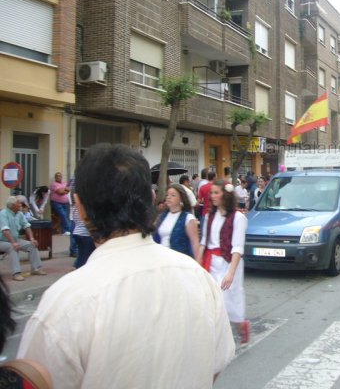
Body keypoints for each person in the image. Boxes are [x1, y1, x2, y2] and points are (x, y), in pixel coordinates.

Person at [17, 143, 235, 388]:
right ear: (150, 199)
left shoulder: (65, 303)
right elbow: (216, 365)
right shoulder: (199, 279)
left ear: (79, 206)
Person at [198, 180, 250, 344]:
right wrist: (197, 265)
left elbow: (237, 247)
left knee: (229, 300)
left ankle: (241, 326)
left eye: (216, 193)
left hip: (229, 263)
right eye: (211, 193)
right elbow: (203, 243)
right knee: (213, 300)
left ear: (225, 195)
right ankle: (217, 338)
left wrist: (231, 273)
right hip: (211, 263)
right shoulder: (209, 216)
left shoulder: (238, 218)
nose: (212, 196)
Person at [0, 196, 47, 281]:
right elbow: (5, 231)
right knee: (12, 247)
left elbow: (26, 226)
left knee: (32, 245)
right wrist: (13, 243)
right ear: (12, 205)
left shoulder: (19, 214)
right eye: (18, 203)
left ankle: (36, 269)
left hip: (15, 239)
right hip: (2, 241)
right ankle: (16, 273)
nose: (21, 205)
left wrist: (32, 238)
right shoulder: (3, 214)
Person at [153, 183, 200, 257]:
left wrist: (197, 261)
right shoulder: (162, 217)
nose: (169, 197)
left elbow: (195, 243)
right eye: (167, 195)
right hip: (162, 257)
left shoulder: (188, 218)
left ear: (181, 198)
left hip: (180, 259)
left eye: (173, 195)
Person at [69, 178, 94, 269]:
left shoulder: (74, 206)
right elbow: (86, 219)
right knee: (84, 258)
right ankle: (78, 270)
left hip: (78, 232)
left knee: (82, 255)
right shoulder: (82, 207)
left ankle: (76, 267)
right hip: (85, 234)